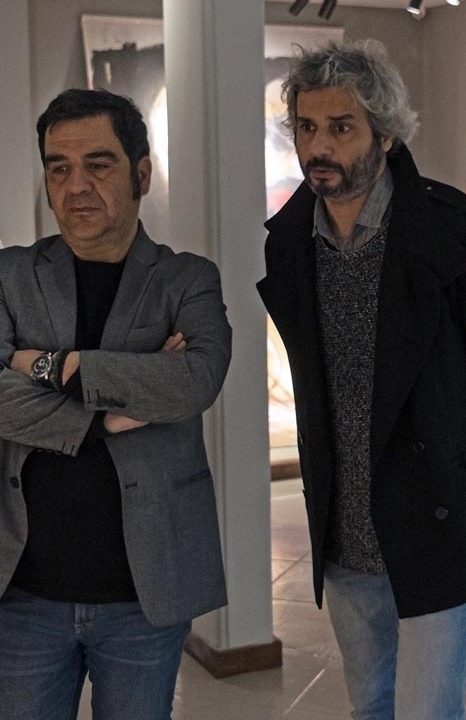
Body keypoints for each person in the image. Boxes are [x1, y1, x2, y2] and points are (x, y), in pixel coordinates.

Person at [257, 40, 466, 720]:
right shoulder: (290, 241)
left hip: (439, 518)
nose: (319, 146)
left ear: (384, 134)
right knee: (371, 707)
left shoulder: (461, 233)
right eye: (307, 127)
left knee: (428, 712)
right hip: (345, 528)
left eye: (340, 127)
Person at [0, 89, 231, 719]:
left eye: (98, 165)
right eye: (59, 167)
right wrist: (105, 417)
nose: (76, 186)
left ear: (141, 174)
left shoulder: (188, 279)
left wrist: (47, 366)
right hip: (23, 591)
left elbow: (196, 381)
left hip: (144, 592)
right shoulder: (10, 275)